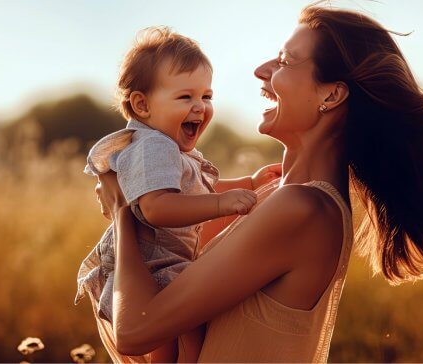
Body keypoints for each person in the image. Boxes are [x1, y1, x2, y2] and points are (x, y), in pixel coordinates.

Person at [95, 0, 423, 363]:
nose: (261, 70)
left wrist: (122, 209)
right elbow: (165, 261)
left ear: (332, 94)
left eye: (285, 61)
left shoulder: (302, 208)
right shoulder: (274, 194)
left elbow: (135, 332)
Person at [75, 26, 281, 363]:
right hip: (152, 267)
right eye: (185, 97)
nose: (200, 107)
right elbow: (157, 207)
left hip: (167, 263)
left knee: (183, 337)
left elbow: (196, 191)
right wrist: (220, 205)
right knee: (175, 339)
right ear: (141, 105)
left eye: (207, 96)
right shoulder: (154, 146)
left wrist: (249, 182)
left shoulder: (169, 148)